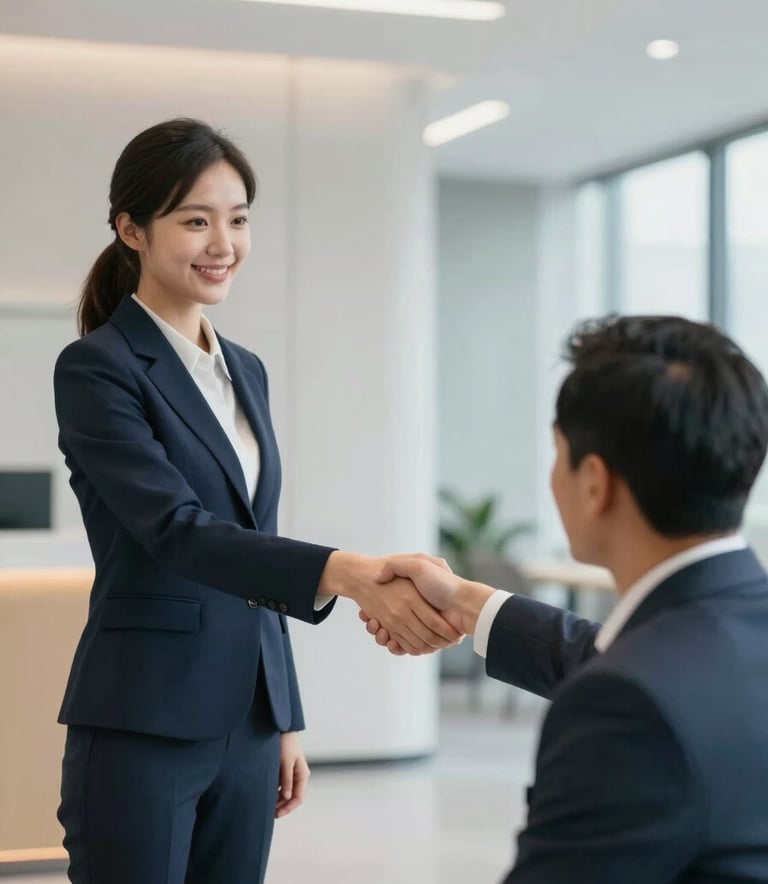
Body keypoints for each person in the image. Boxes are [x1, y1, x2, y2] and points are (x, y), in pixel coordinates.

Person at [53, 117, 460, 884]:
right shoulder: (97, 368)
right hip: (143, 717)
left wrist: (283, 717)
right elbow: (177, 531)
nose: (222, 243)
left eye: (238, 220)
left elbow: (252, 538)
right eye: (195, 220)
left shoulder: (246, 370)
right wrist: (345, 571)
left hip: (247, 722)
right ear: (130, 230)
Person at [366, 315, 768, 882]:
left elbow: (638, 688)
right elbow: (643, 664)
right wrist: (467, 602)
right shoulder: (712, 642)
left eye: (559, 452)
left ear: (595, 483)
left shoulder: (626, 706)